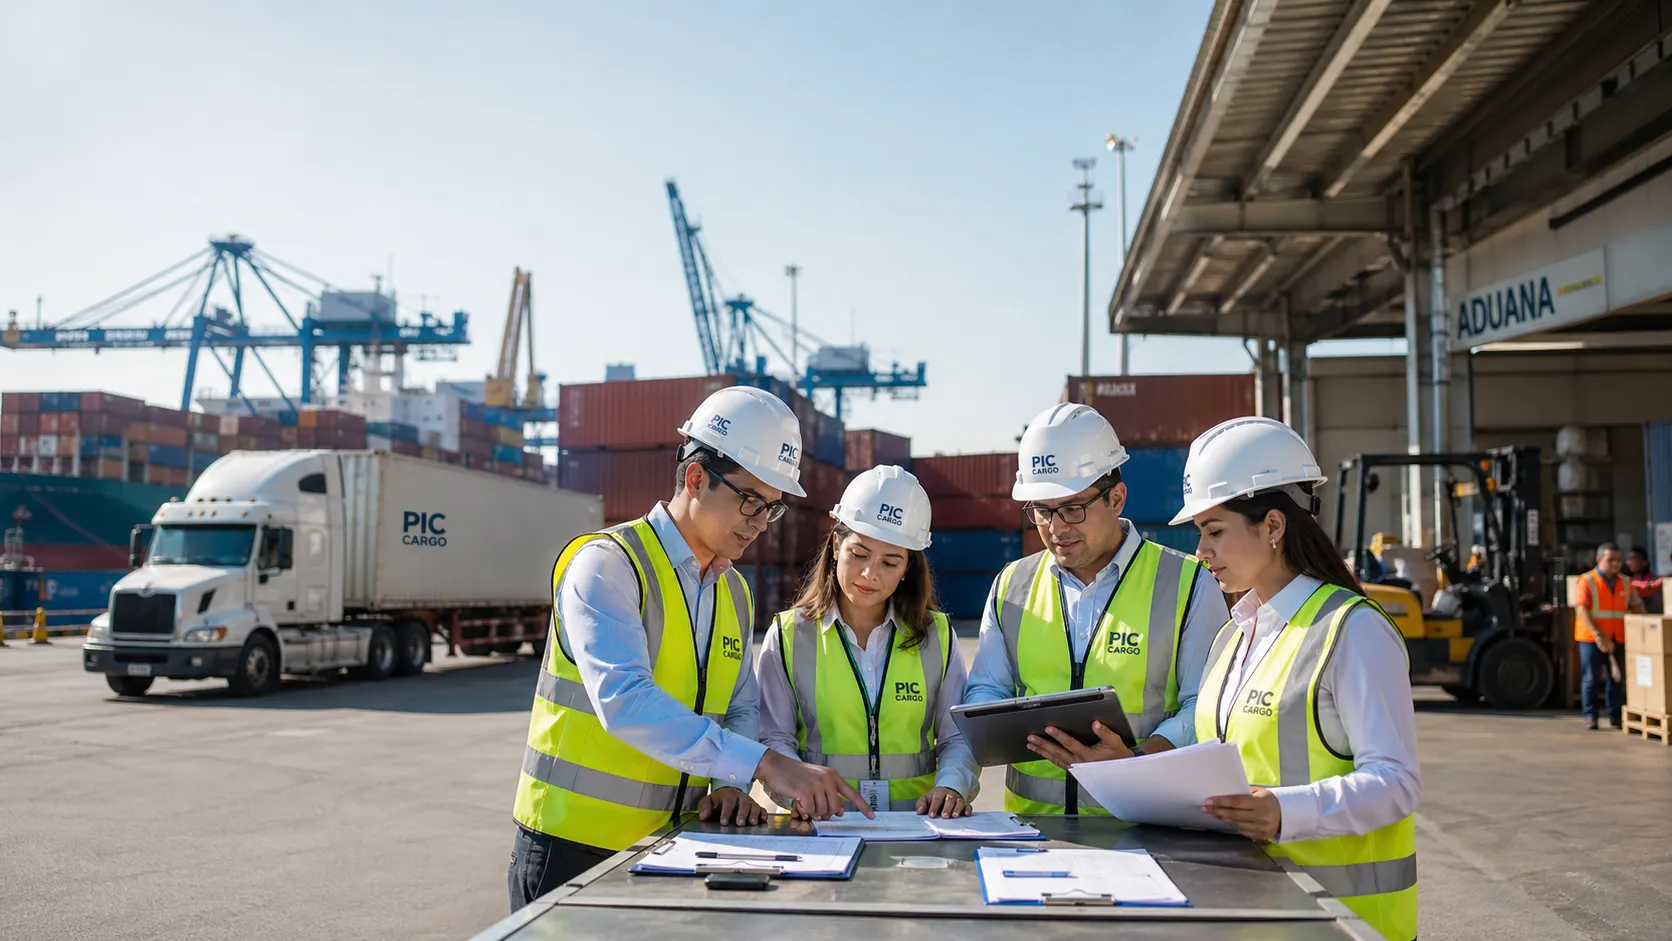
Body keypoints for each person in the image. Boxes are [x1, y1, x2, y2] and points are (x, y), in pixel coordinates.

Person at [507, 386, 870, 913]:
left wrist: (728, 782)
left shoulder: (734, 590)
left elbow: (741, 702)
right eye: (750, 500)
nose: (760, 523)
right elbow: (624, 700)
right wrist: (762, 764)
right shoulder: (608, 565)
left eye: (772, 509)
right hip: (572, 849)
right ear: (696, 477)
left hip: (676, 843)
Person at [1176, 417, 1420, 941]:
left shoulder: (1351, 631)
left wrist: (1286, 812)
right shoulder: (1233, 636)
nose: (1202, 552)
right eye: (1200, 535)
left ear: (1273, 526)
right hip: (1252, 918)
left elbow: (1396, 782)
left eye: (1215, 531)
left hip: (1347, 927)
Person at [964, 403, 1229, 814]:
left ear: (1117, 498)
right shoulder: (1010, 586)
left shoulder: (1190, 583)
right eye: (1041, 511)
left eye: (1072, 509)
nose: (1056, 529)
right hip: (1034, 836)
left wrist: (1136, 760)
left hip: (1145, 823)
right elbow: (986, 689)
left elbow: (1207, 706)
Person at [756, 465, 980, 818]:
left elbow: (956, 737)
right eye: (859, 554)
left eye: (890, 563)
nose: (869, 574)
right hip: (821, 826)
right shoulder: (787, 636)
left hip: (918, 826)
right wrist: (798, 794)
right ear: (835, 545)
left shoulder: (937, 636)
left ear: (908, 567)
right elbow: (773, 737)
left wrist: (952, 785)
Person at [1573, 543, 1646, 730]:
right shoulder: (1587, 581)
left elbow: (1637, 606)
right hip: (1591, 638)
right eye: (1610, 560)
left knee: (1617, 679)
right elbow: (1582, 610)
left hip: (1618, 637)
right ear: (1599, 560)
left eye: (1618, 560)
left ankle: (1615, 715)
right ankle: (1591, 716)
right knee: (1591, 677)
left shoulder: (1626, 583)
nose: (1615, 564)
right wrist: (1598, 635)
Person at [1625, 546, 1664, 615]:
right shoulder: (1628, 580)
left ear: (1644, 562)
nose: (1628, 562)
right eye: (1628, 559)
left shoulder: (1653, 580)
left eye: (1632, 559)